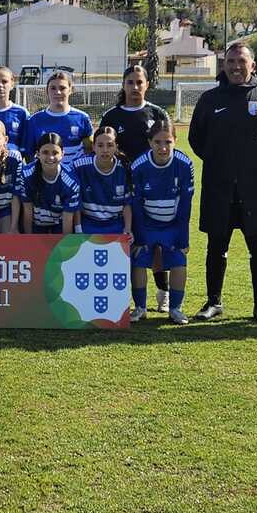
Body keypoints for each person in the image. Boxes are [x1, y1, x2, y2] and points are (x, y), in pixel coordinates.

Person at [188, 41, 257, 322]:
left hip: (255, 188)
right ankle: (213, 302)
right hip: (218, 187)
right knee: (216, 247)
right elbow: (196, 138)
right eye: (230, 61)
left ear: (252, 65)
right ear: (224, 65)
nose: (235, 67)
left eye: (241, 61)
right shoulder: (210, 99)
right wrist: (220, 162)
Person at [99, 64, 172, 311]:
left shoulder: (157, 113)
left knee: (156, 242)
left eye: (139, 82)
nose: (135, 87)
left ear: (147, 84)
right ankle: (128, 298)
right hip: (119, 189)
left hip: (152, 188)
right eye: (130, 82)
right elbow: (102, 148)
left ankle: (163, 291)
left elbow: (168, 148)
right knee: (127, 241)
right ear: (123, 85)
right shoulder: (112, 116)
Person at [130, 120, 194, 325]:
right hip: (147, 223)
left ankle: (175, 309)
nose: (163, 147)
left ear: (175, 140)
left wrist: (182, 239)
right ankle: (140, 308)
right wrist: (140, 237)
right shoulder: (139, 165)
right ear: (150, 142)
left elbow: (186, 204)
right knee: (139, 260)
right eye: (157, 142)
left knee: (178, 261)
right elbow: (136, 205)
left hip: (173, 224)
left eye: (168, 142)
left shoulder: (184, 164)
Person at [75, 125, 132, 239]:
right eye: (100, 145)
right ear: (93, 147)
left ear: (116, 147)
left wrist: (127, 229)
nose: (105, 150)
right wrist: (78, 229)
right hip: (88, 223)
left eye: (110, 145)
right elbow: (74, 200)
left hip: (115, 223)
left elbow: (127, 204)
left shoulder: (125, 168)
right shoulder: (79, 166)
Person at [23, 71, 93, 163]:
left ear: (70, 90)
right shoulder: (34, 120)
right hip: (45, 171)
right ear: (47, 91)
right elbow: (29, 154)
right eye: (53, 88)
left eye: (62, 88)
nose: (58, 92)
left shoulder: (82, 118)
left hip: (75, 171)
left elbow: (90, 150)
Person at [18, 131, 79, 234]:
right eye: (45, 152)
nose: (50, 157)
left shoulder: (71, 182)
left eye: (55, 153)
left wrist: (64, 243)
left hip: (59, 224)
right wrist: (29, 239)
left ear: (62, 154)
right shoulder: (26, 175)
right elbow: (27, 212)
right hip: (35, 224)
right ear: (38, 154)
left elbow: (67, 220)